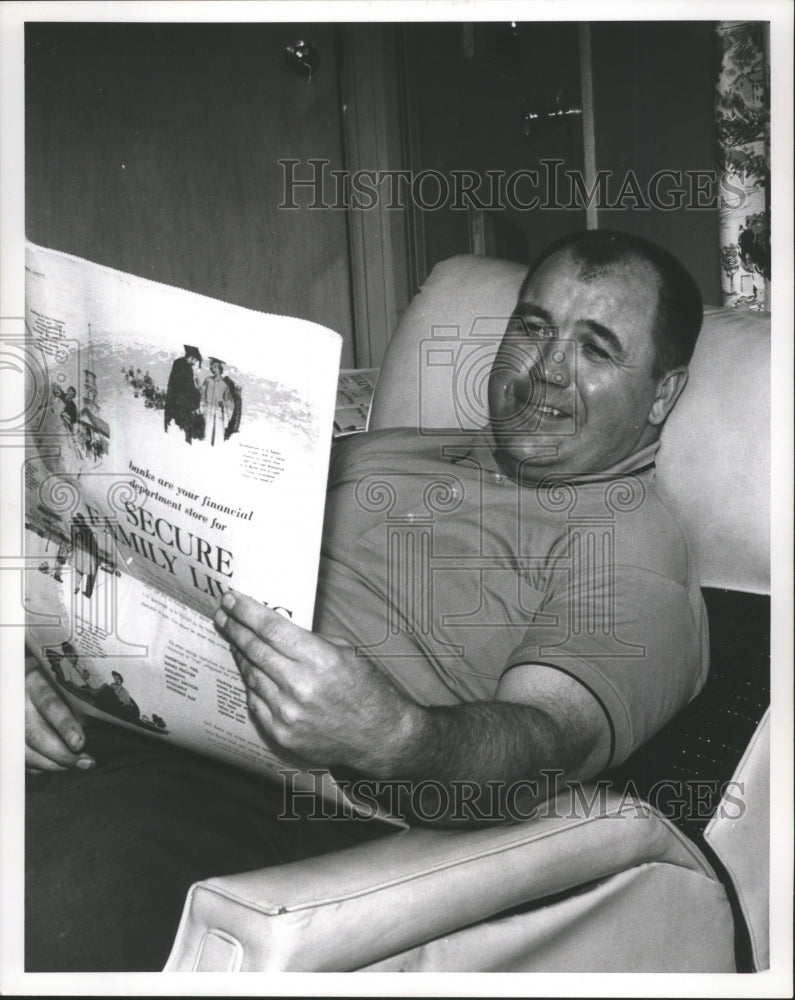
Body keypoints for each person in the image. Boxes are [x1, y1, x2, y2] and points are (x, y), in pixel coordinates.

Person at [24, 230, 707, 971]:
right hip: (106, 721)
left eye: (596, 349)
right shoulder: (396, 448)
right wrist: (27, 666)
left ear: (661, 394)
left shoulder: (633, 546)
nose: (543, 369)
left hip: (271, 802)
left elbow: (547, 746)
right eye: (533, 327)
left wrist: (391, 734)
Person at [163, 345, 203, 443]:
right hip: (182, 406)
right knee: (186, 432)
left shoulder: (179, 364)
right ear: (191, 357)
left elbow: (171, 386)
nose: (194, 363)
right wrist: (198, 392)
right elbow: (187, 388)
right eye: (195, 360)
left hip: (176, 404)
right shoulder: (185, 368)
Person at [200, 357, 234, 445]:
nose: (213, 369)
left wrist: (224, 405)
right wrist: (202, 406)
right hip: (208, 410)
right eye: (212, 367)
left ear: (220, 368)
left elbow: (229, 402)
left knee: (218, 433)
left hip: (219, 411)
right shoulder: (208, 380)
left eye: (216, 367)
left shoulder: (224, 384)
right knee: (207, 432)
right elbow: (202, 394)